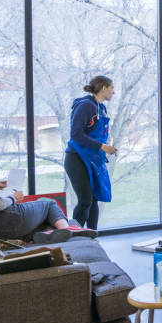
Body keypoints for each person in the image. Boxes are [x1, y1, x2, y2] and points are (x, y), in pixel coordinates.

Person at [64, 76, 117, 230]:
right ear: (103, 88)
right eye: (111, 88)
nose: (113, 92)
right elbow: (76, 134)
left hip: (92, 158)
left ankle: (93, 236)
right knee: (85, 199)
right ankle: (76, 237)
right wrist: (102, 146)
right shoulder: (86, 106)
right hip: (76, 158)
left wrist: (105, 147)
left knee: (94, 199)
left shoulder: (101, 108)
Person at [0, 179, 96, 243]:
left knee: (39, 221)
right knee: (48, 204)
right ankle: (67, 229)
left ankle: (43, 234)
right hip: (0, 219)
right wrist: (14, 197)